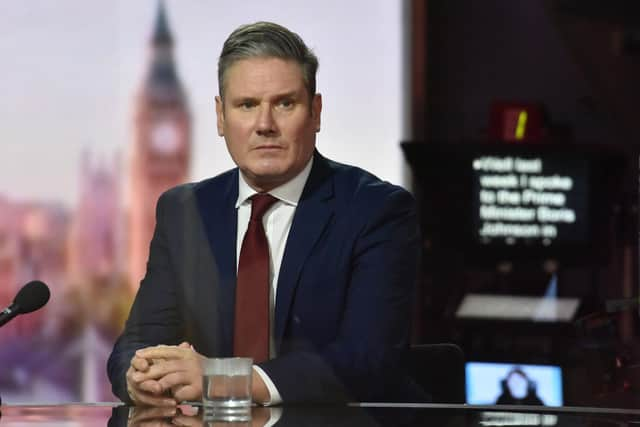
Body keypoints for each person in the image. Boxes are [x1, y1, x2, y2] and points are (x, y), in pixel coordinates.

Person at [107, 21, 424, 406]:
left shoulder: (377, 211)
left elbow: (368, 360)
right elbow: (137, 342)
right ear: (221, 117)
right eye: (247, 105)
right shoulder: (184, 212)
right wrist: (141, 377)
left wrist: (223, 380)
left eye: (285, 103)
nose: (264, 125)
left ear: (316, 112)